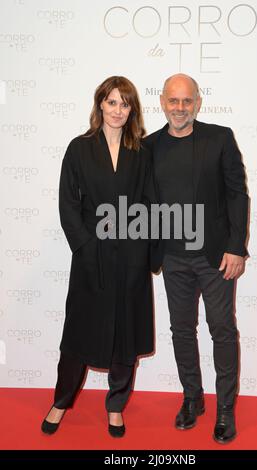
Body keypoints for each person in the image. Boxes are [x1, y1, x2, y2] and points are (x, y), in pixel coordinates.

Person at [41, 76, 154, 438]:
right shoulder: (79, 148)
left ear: (131, 109)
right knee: (78, 333)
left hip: (132, 255)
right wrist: (85, 247)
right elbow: (68, 204)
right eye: (112, 102)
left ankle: (116, 406)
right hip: (91, 254)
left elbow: (151, 204)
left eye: (125, 103)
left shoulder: (142, 151)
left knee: (126, 334)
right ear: (100, 104)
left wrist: (145, 251)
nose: (118, 110)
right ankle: (60, 401)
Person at [144, 74, 249, 444]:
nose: (180, 108)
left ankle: (224, 408)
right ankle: (192, 399)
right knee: (181, 330)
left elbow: (237, 194)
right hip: (172, 258)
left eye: (187, 101)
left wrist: (237, 247)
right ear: (162, 102)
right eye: (173, 101)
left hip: (216, 257)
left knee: (222, 328)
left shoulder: (219, 138)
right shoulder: (148, 146)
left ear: (198, 103)